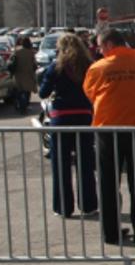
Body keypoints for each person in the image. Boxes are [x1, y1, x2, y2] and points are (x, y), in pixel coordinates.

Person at [83, 28, 135, 247]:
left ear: (108, 45)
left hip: (109, 130)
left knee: (108, 183)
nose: (99, 50)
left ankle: (111, 233)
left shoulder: (98, 68)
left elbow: (90, 92)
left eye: (99, 46)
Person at [38, 34, 97, 218]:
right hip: (84, 115)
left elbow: (43, 93)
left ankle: (63, 207)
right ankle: (88, 205)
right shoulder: (89, 66)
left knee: (60, 164)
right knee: (86, 162)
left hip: (61, 118)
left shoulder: (55, 67)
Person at [8, 36, 38, 113]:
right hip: (28, 74)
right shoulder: (31, 52)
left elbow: (10, 61)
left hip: (18, 74)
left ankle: (20, 105)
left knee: (19, 91)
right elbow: (34, 64)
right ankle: (25, 106)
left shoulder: (17, 51)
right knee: (27, 91)